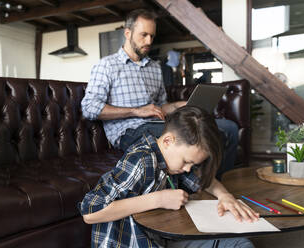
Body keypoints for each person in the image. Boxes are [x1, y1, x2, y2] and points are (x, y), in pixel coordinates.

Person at [81, 9, 238, 179]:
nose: (149, 41)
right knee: (188, 137)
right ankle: (205, 187)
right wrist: (136, 111)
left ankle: (220, 182)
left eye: (152, 36)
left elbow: (160, 106)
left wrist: (181, 105)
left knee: (228, 128)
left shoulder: (155, 67)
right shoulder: (106, 65)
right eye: (144, 35)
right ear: (127, 33)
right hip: (129, 131)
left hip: (157, 124)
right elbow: (89, 108)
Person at [79, 106, 258, 248]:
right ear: (167, 141)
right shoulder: (141, 160)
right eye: (187, 161)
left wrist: (225, 196)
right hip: (133, 243)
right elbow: (91, 212)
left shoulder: (173, 162)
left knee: (240, 243)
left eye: (193, 164)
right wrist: (158, 199)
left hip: (163, 240)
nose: (188, 169)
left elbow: (204, 180)